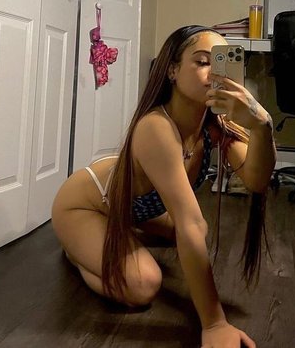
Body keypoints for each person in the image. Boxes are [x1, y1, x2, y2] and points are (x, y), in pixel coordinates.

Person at [52, 25, 276, 348]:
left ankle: (109, 240)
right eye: (202, 62)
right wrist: (214, 324)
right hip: (82, 206)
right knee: (143, 284)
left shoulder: (216, 126)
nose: (214, 72)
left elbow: (256, 180)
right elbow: (189, 223)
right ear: (172, 70)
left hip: (130, 210)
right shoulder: (155, 127)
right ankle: (75, 251)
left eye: (221, 61)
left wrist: (262, 125)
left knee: (191, 233)